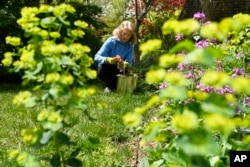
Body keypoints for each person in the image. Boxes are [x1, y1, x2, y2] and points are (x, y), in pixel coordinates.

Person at [94, 20, 136, 92]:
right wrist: (108, 60)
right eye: (124, 34)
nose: (126, 37)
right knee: (106, 65)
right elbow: (96, 57)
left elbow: (129, 64)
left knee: (125, 71)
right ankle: (109, 87)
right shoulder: (111, 41)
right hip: (105, 70)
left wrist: (124, 64)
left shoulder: (130, 46)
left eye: (129, 35)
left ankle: (116, 85)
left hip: (118, 70)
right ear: (120, 32)